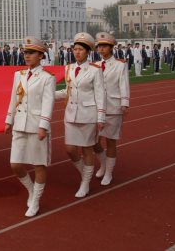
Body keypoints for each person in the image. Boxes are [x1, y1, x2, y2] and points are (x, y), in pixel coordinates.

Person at [4, 37, 56, 217]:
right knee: (15, 164)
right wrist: (9, 120)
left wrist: (43, 125)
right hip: (19, 123)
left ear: (41, 55)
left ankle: (36, 201)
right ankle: (31, 190)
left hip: (36, 125)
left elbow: (48, 103)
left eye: (31, 52)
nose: (27, 56)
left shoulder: (47, 78)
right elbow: (13, 98)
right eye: (25, 52)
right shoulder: (18, 74)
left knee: (39, 164)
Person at [55, 32, 105, 198]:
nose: (77, 52)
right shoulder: (69, 68)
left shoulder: (95, 70)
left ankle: (85, 183)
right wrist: (49, 94)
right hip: (71, 113)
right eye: (75, 49)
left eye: (80, 50)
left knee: (87, 149)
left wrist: (100, 117)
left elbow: (100, 95)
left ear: (88, 52)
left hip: (88, 114)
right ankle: (86, 173)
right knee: (70, 149)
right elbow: (67, 91)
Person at [92, 33, 130, 186]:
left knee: (111, 142)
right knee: (94, 141)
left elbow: (124, 84)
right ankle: (103, 164)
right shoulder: (94, 65)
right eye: (99, 46)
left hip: (113, 106)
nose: (101, 49)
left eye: (104, 46)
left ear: (111, 47)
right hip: (96, 107)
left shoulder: (120, 65)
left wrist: (125, 103)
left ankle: (108, 172)